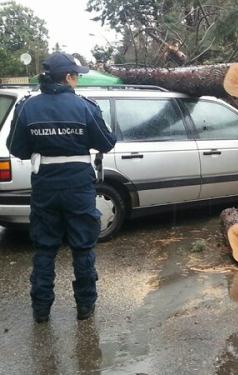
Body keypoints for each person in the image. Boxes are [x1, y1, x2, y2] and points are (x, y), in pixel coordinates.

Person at [7, 52, 116, 322]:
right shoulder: (85, 107)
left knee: (45, 248)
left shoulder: (28, 107)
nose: (77, 80)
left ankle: (41, 310)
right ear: (68, 77)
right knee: (82, 247)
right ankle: (85, 307)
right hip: (78, 185)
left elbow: (16, 148)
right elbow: (106, 143)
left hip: (45, 184)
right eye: (76, 75)